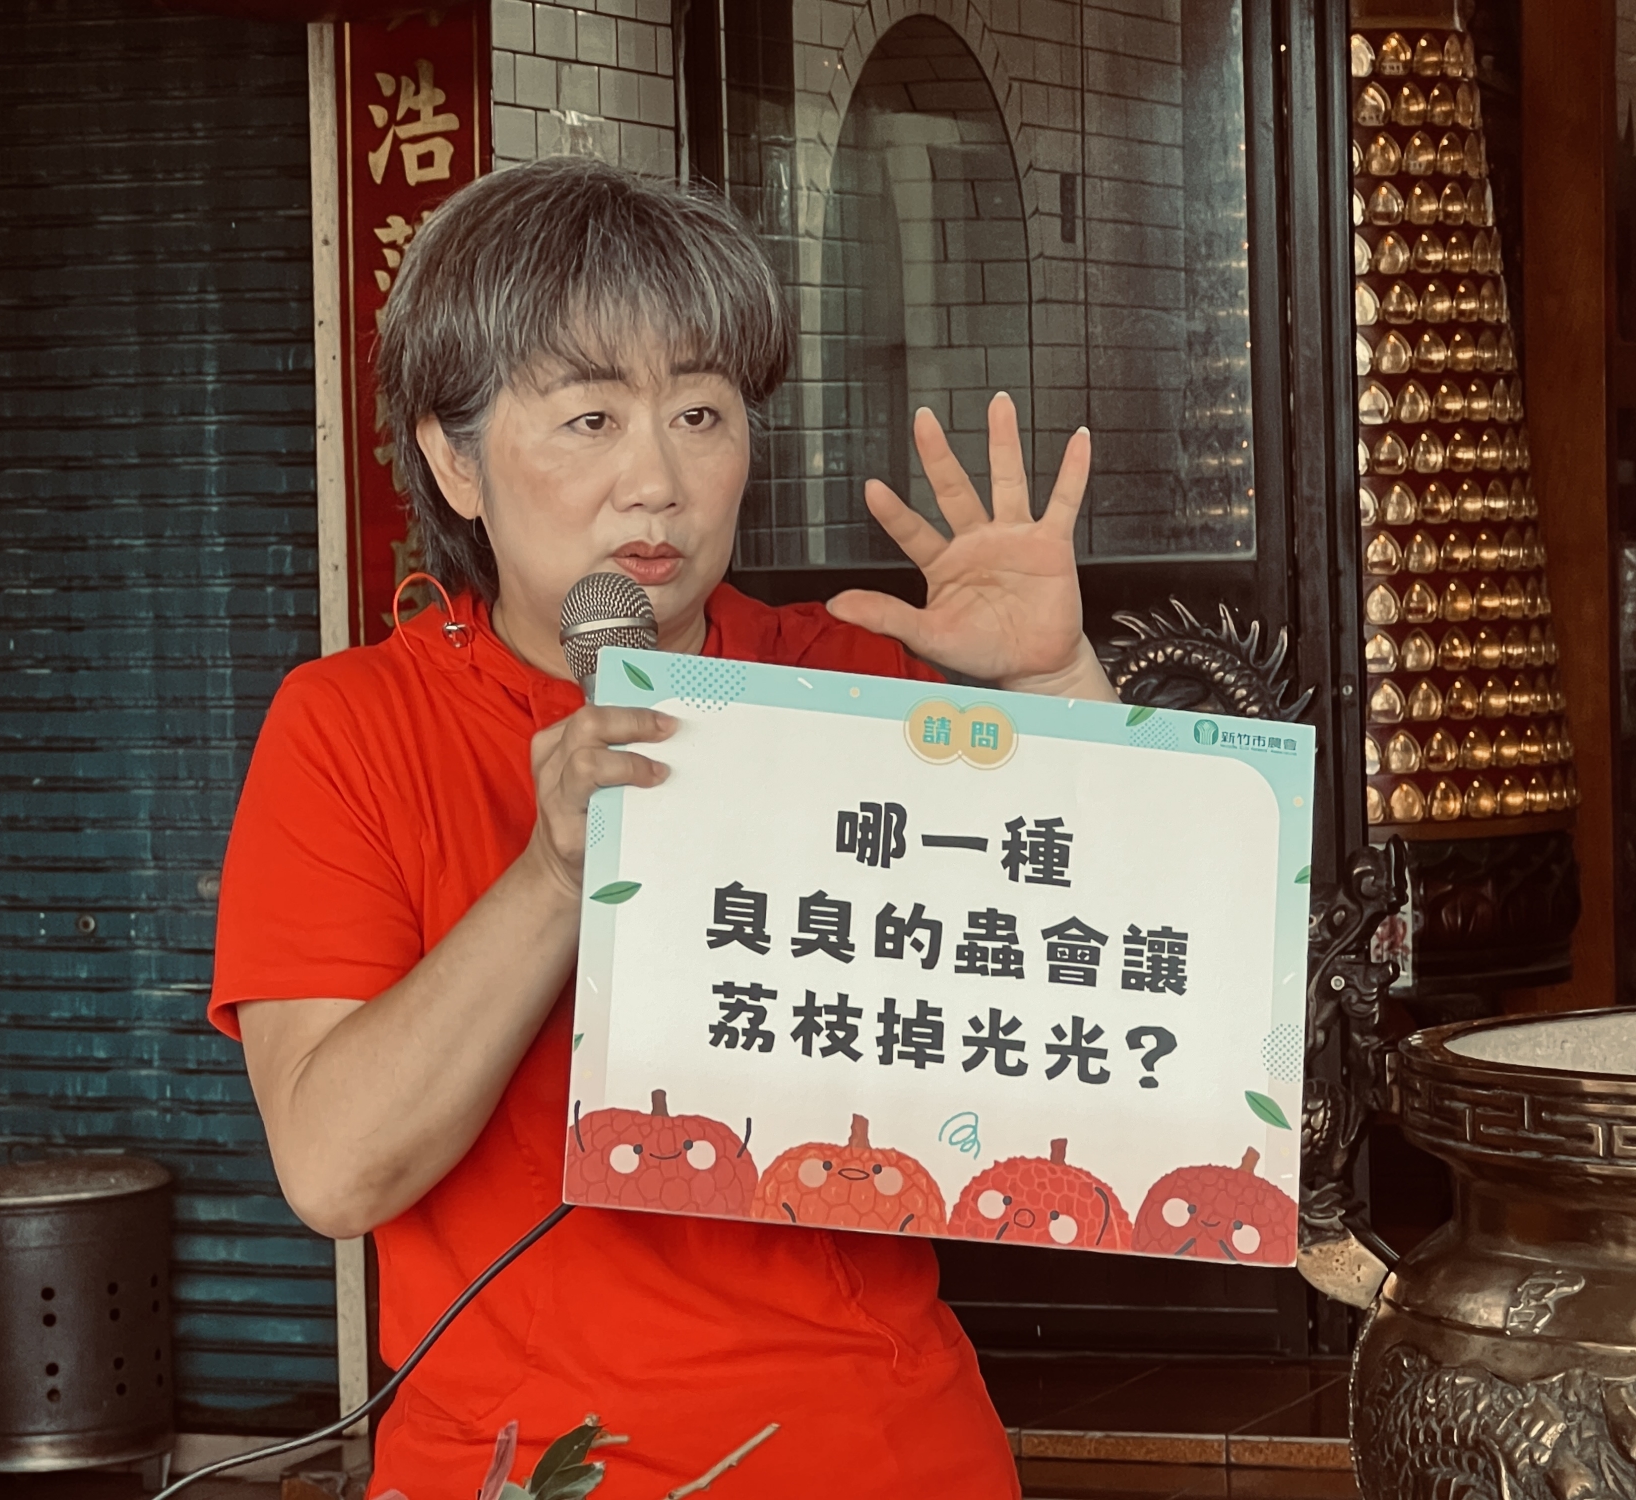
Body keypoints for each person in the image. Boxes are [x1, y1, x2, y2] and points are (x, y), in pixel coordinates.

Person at [210, 156, 1117, 1496]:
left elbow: (1110, 1073)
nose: (656, 481)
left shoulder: (847, 688)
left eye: (700, 413)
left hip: (882, 1453)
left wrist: (1055, 690)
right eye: (589, 418)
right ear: (454, 460)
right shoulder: (351, 729)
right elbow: (338, 1172)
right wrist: (552, 872)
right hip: (528, 1471)